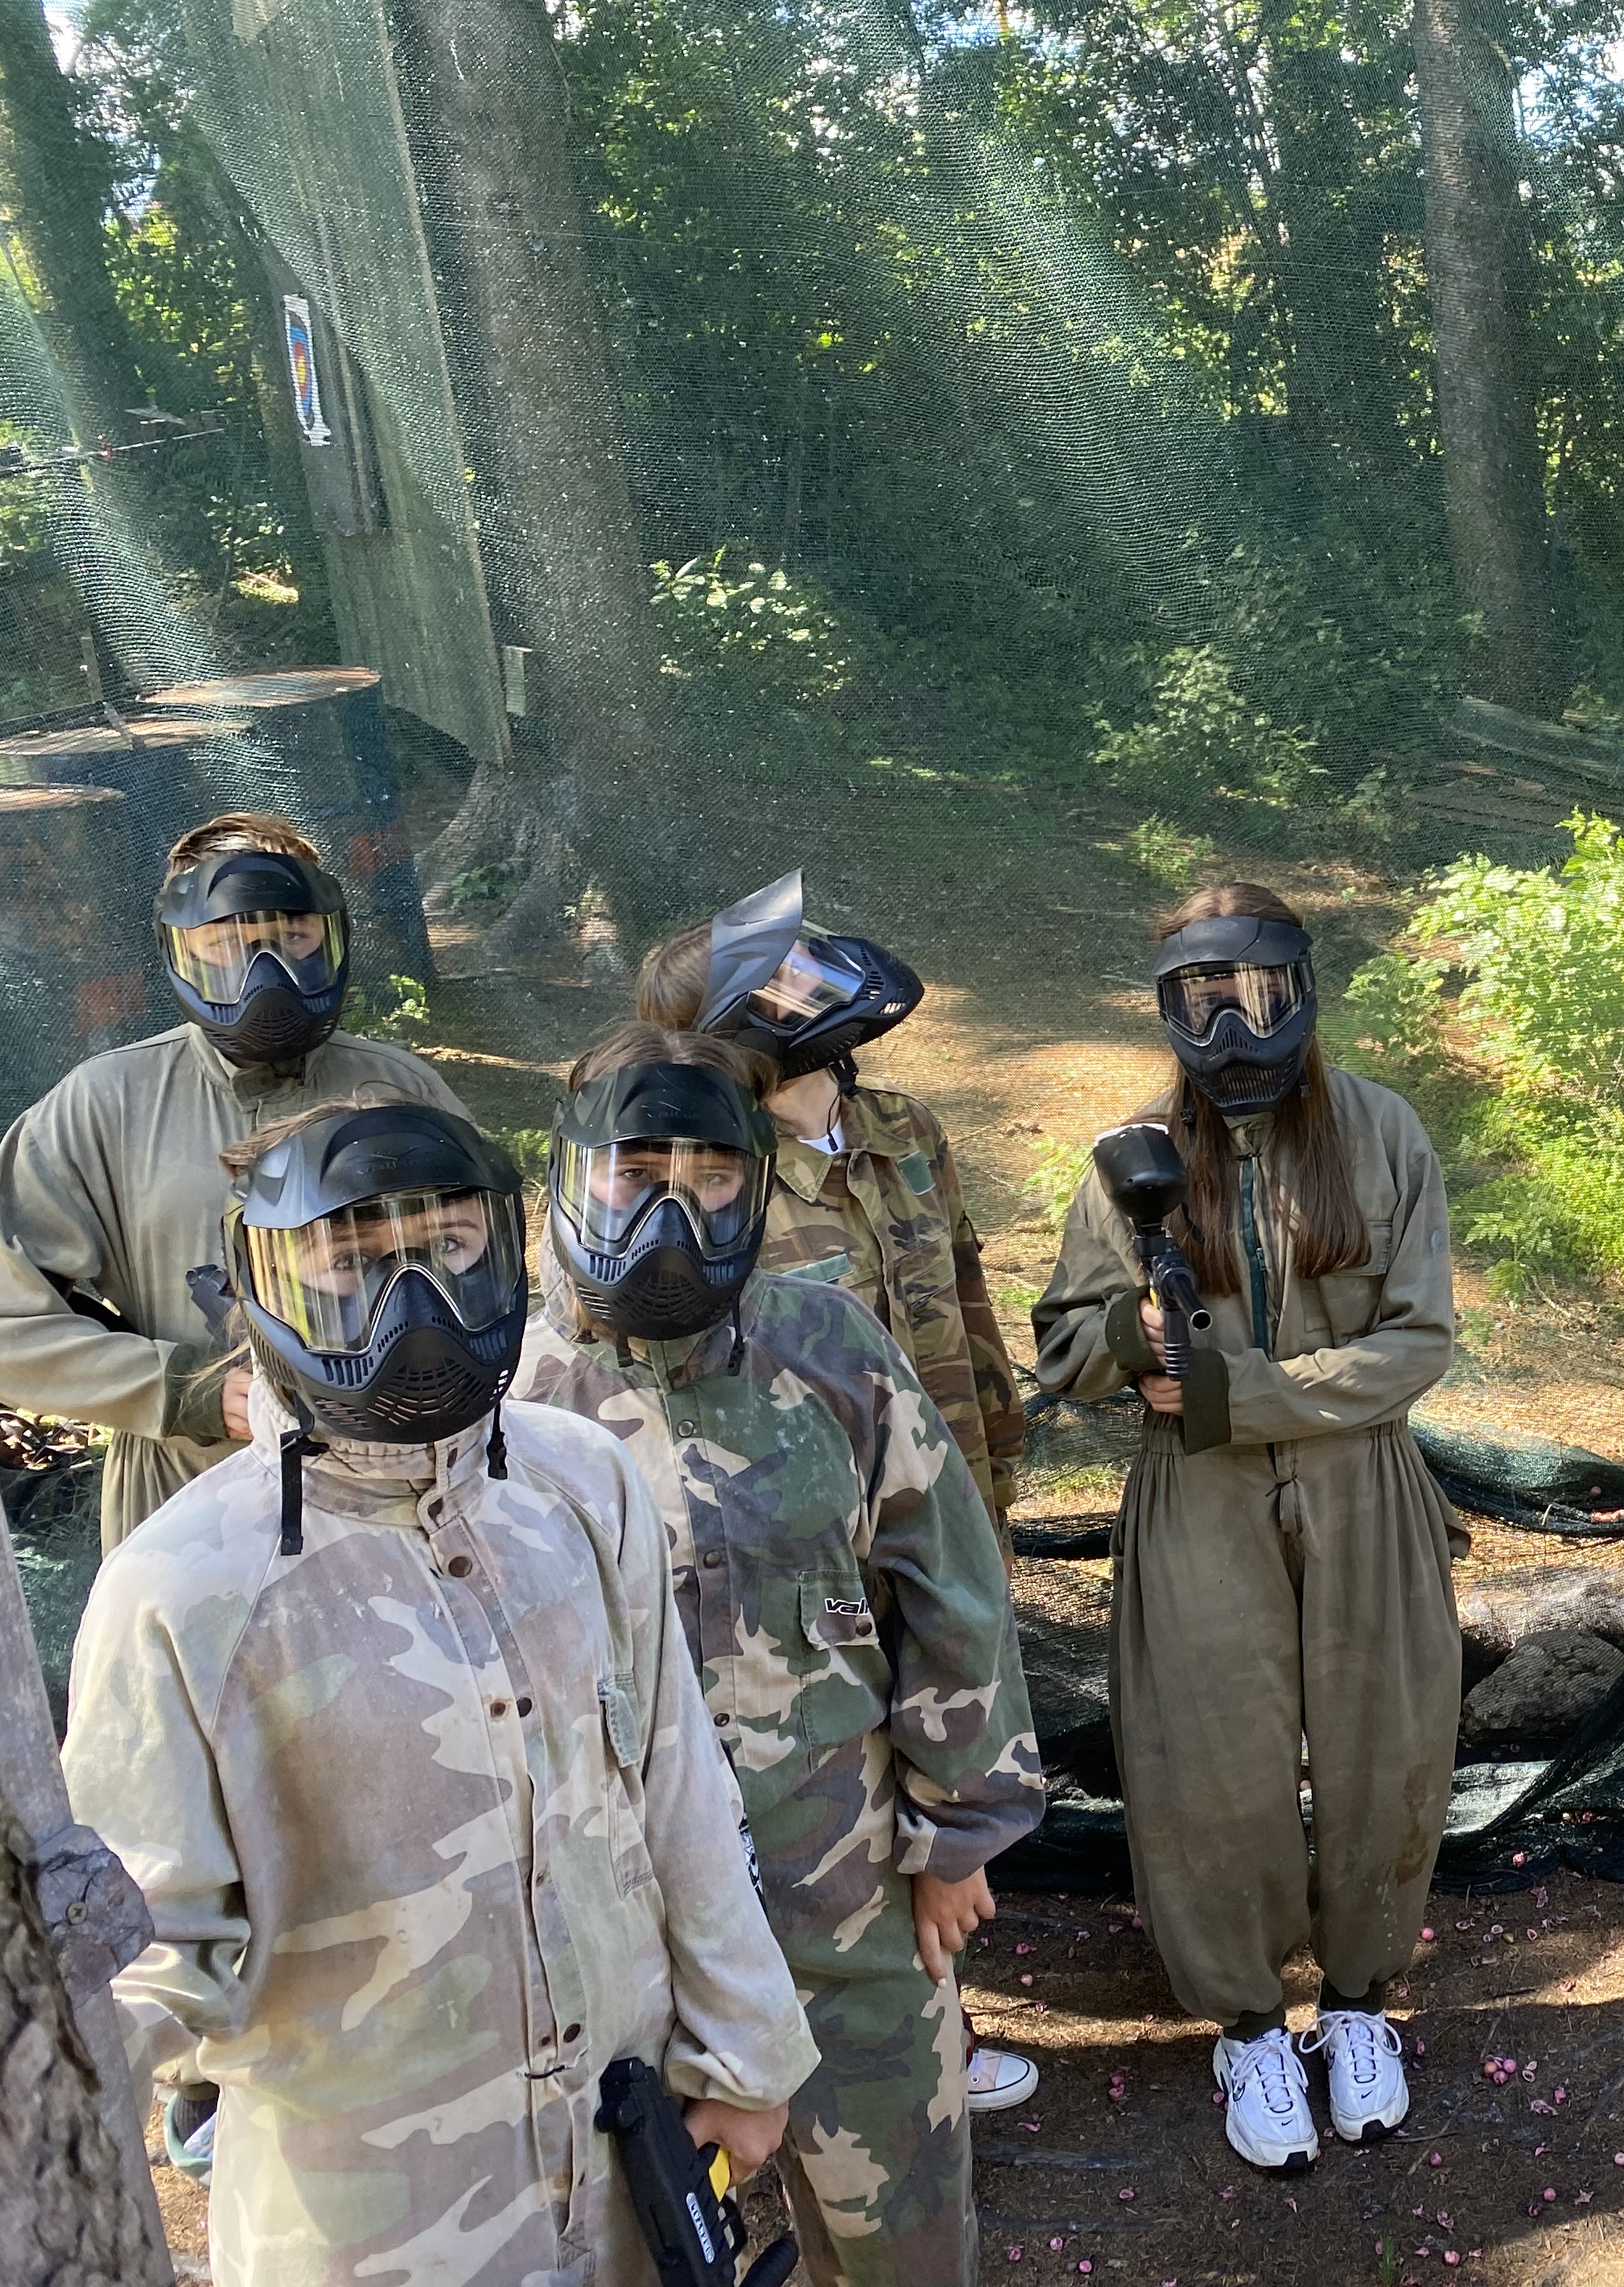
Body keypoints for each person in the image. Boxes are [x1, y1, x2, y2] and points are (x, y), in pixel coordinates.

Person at [60, 1097, 818, 2285]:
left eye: (451, 1245)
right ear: (260, 1283)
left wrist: (748, 2055)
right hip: (374, 2224)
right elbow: (141, 1945)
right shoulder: (182, 1591)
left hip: (627, 2160)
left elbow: (679, 1784)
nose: (411, 1301)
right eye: (350, 1260)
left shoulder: (582, 1484)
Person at [513, 1026, 1041, 2286]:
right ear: (572, 1174)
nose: (675, 1209)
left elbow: (949, 1583)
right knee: (633, 2246)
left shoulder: (828, 1344)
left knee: (903, 2240)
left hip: (845, 1889)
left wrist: (956, 1836)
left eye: (712, 1176)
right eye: (638, 1172)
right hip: (615, 1923)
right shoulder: (508, 1396)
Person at [1030, 882, 1461, 2174]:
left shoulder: (1381, 1131)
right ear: (1169, 1011)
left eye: (1258, 996)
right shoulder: (1131, 1157)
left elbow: (1419, 1340)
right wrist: (1132, 1331)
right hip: (1196, 1493)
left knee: (1387, 1744)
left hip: (1361, 1478)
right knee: (1208, 1764)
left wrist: (1247, 1391)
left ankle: (1363, 2005)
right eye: (1202, 1003)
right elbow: (1063, 1351)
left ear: (1304, 992)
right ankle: (1251, 2029)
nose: (1233, 1031)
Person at [635, 873, 1043, 2113]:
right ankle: (855, 2051)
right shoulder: (716, 1179)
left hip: (938, 1508)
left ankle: (929, 2034)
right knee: (843, 1808)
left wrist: (997, 1466)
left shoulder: (901, 1129)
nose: (818, 989)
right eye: (785, 981)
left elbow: (964, 1300)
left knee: (947, 1749)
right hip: (814, 1556)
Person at [0, 810, 464, 1548]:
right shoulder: (105, 1105)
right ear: (181, 949)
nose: (265, 967)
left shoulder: (401, 1087)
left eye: (292, 935)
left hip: (405, 1488)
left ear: (331, 937)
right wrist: (184, 1390)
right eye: (228, 941)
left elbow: (478, 1263)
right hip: (191, 1499)